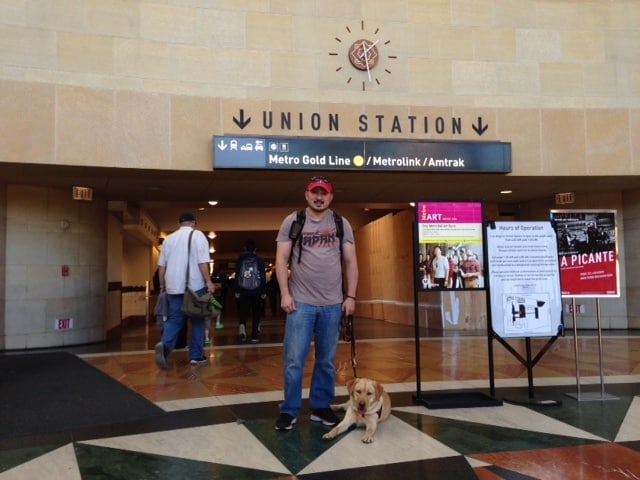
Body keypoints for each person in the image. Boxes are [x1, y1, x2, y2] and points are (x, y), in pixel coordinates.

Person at [273, 176, 358, 431]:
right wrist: (285, 294)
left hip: (333, 304)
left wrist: (350, 296)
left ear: (331, 197)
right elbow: (281, 259)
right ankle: (289, 410)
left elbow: (351, 262)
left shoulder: (341, 223)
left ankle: (320, 407)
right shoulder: (293, 221)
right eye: (314, 192)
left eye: (324, 193)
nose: (319, 197)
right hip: (301, 304)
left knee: (326, 360)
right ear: (307, 195)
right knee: (294, 360)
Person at [155, 212, 215, 368]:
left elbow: (161, 267)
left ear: (179, 224)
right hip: (194, 287)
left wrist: (162, 286)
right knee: (198, 320)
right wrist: (209, 281)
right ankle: (196, 356)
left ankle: (165, 346)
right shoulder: (198, 236)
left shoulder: (169, 239)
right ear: (194, 222)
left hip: (173, 288)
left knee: (175, 320)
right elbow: (203, 263)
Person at [234, 239, 267, 343]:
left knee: (244, 312)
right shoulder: (260, 261)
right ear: (255, 249)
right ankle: (254, 335)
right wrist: (263, 291)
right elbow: (262, 276)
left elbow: (237, 276)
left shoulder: (240, 261)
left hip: (243, 290)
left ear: (245, 248)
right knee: (256, 313)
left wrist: (236, 290)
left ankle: (242, 328)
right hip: (257, 290)